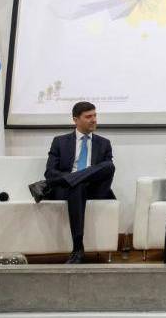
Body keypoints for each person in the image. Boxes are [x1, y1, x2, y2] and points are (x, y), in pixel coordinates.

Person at [43, 101, 117, 264]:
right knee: (77, 186)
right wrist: (75, 180)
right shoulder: (60, 142)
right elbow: (50, 172)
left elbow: (105, 171)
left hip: (96, 189)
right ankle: (78, 248)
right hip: (69, 190)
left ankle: (73, 179)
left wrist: (73, 177)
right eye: (88, 116)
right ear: (75, 120)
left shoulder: (104, 143)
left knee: (108, 165)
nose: (94, 120)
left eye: (95, 115)